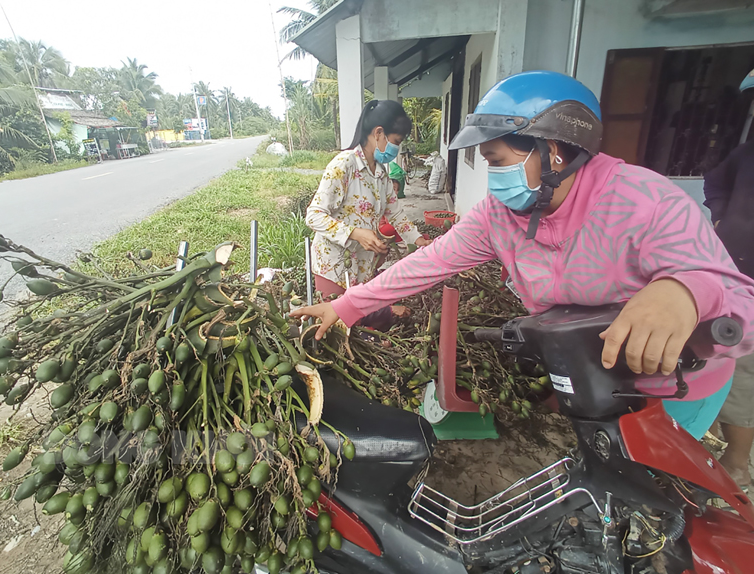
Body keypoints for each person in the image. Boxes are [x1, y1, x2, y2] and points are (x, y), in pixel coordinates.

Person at [293, 70, 754, 441]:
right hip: (589, 382)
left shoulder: (645, 202)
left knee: (655, 515)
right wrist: (346, 305)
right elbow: (428, 263)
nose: (492, 176)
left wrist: (683, 292)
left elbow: (742, 306)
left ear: (550, 151)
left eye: (495, 161)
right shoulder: (501, 216)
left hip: (670, 392)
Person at [306, 99, 431, 303]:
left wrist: (418, 240)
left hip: (363, 265)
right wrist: (356, 233)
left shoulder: (381, 174)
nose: (396, 150)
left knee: (357, 328)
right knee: (336, 330)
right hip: (334, 266)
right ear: (378, 133)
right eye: (396, 142)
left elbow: (396, 214)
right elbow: (313, 216)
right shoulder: (344, 164)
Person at [703, 68, 754, 486]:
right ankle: (716, 445)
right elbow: (714, 181)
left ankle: (737, 463)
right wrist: (721, 214)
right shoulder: (746, 154)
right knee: (718, 360)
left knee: (744, 373)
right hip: (731, 274)